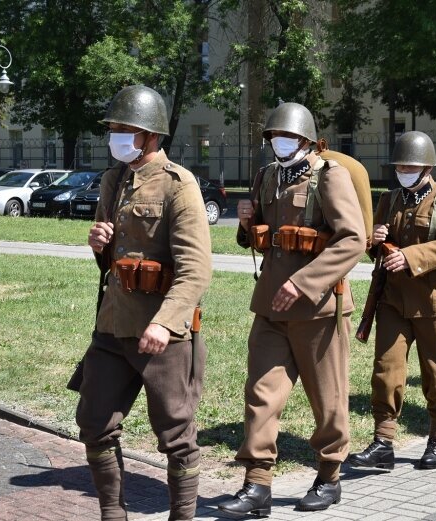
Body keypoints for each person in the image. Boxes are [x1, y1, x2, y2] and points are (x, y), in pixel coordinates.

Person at [217, 102, 366, 516]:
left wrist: (303, 283)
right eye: (272, 137)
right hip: (271, 307)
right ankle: (258, 485)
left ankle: (330, 476)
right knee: (261, 395)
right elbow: (261, 238)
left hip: (319, 308)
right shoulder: (268, 176)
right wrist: (247, 224)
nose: (278, 142)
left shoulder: (329, 176)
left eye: (286, 136)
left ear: (305, 139)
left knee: (328, 399)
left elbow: (353, 239)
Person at [74, 84, 212, 521]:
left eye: (124, 128)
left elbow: (196, 269)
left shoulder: (178, 184)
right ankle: (113, 513)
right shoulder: (113, 179)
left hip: (161, 335)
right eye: (113, 127)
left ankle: (182, 517)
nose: (115, 135)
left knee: (176, 436)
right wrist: (100, 245)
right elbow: (113, 258)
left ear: (151, 136)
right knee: (94, 424)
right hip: (113, 326)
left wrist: (166, 323)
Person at [347, 131, 436, 471]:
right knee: (386, 371)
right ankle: (383, 442)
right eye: (400, 164)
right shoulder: (389, 199)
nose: (403, 169)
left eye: (411, 165)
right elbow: (376, 245)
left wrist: (413, 256)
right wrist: (375, 240)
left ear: (427, 167)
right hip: (393, 299)